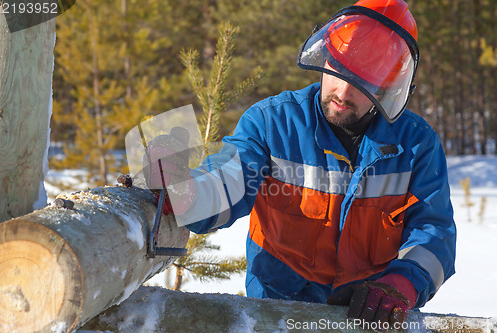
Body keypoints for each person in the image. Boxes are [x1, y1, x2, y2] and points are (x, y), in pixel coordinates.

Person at [144, 0, 456, 327]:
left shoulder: (416, 144)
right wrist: (186, 194)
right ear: (325, 57)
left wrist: (402, 283)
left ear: (387, 87)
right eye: (338, 69)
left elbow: (435, 231)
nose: (342, 90)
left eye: (362, 81)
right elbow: (229, 179)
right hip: (276, 314)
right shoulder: (273, 123)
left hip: (367, 316)